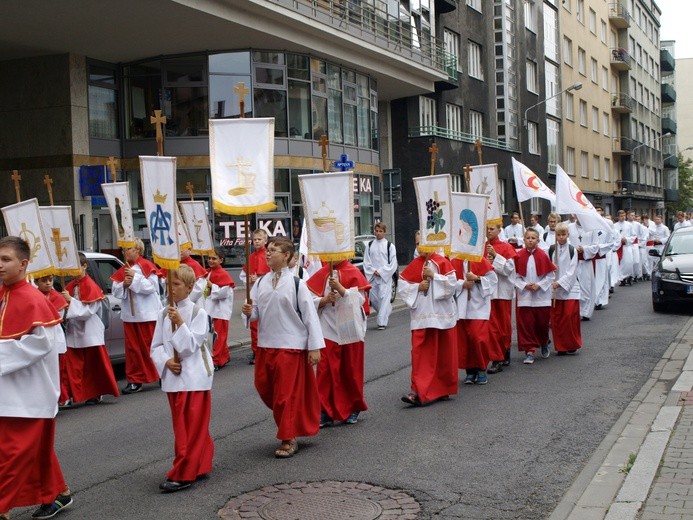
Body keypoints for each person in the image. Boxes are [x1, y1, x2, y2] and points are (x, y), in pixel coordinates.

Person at [0, 237, 73, 520]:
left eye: (6, 259)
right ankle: (59, 493)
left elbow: (39, 345)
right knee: (36, 452)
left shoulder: (34, 300)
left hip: (29, 396)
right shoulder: (2, 294)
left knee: (12, 456)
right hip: (7, 393)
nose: (0, 264)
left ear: (24, 264)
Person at [241, 237, 324, 458]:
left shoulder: (297, 284)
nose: (267, 254)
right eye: (267, 250)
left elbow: (310, 316)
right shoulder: (260, 283)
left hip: (290, 346)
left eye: (273, 250)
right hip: (266, 345)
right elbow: (256, 313)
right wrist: (248, 311)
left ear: (286, 256)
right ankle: (291, 425)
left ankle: (288, 438)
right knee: (265, 387)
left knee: (285, 396)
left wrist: (314, 347)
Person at [150, 265, 214, 493]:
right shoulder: (162, 313)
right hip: (174, 377)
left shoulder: (198, 313)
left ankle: (184, 472)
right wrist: (166, 361)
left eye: (176, 285)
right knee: (183, 426)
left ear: (189, 288)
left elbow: (190, 347)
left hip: (194, 378)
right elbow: (155, 346)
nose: (172, 289)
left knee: (191, 428)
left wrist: (180, 323)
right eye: (169, 284)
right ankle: (201, 462)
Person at [307, 259, 370, 427]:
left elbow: (362, 300)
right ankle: (324, 410)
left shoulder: (353, 271)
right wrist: (325, 299)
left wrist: (343, 290)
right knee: (325, 370)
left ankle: (352, 407)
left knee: (350, 369)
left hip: (348, 326)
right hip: (327, 327)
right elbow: (308, 300)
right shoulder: (322, 273)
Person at [398, 250, 458, 406]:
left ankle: (442, 389)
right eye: (418, 244)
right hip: (421, 315)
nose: (421, 248)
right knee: (420, 354)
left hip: (440, 314)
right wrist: (418, 287)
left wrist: (434, 276)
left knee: (442, 354)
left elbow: (452, 285)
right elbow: (403, 285)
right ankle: (417, 390)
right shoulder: (416, 263)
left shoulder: (442, 262)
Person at [60, 253, 120, 406]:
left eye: (77, 267)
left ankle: (95, 393)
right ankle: (69, 395)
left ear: (84, 266)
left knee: (93, 367)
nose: (74, 271)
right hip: (74, 331)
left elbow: (87, 312)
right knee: (71, 367)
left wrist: (71, 301)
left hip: (89, 331)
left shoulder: (91, 285)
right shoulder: (71, 286)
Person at [111, 238, 162, 394]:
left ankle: (160, 373)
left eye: (129, 249)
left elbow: (152, 287)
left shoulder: (147, 266)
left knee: (150, 348)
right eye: (124, 249)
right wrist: (124, 285)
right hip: (130, 315)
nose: (125, 252)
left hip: (147, 314)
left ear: (138, 250)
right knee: (132, 350)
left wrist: (135, 278)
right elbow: (115, 290)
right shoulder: (123, 269)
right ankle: (134, 380)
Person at [451, 255, 497, 385]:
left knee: (478, 338)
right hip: (462, 307)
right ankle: (470, 370)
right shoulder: (454, 261)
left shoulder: (480, 260)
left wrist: (477, 278)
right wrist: (462, 284)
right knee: (466, 341)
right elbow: (449, 282)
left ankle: (482, 368)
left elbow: (493, 280)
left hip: (479, 306)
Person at [514, 229, 556, 364]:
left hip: (541, 296)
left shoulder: (543, 256)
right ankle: (529, 350)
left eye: (533, 238)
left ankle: (544, 342)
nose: (530, 240)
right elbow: (514, 277)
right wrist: (525, 285)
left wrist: (539, 285)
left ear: (538, 240)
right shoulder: (519, 256)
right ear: (524, 240)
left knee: (542, 324)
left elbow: (550, 275)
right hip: (525, 296)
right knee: (526, 325)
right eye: (528, 238)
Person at [485, 223, 518, 373]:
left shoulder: (506, 247)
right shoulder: (481, 247)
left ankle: (506, 352)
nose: (489, 231)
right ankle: (496, 358)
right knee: (492, 327)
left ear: (499, 230)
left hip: (503, 291)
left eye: (492, 229)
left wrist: (496, 256)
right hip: (488, 292)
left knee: (504, 325)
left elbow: (509, 269)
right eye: (487, 229)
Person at [34, 274, 70, 407]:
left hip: (55, 338)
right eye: (44, 281)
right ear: (36, 282)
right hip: (39, 338)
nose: (48, 283)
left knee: (57, 371)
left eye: (50, 280)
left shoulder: (57, 297)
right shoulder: (34, 295)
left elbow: (57, 317)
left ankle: (62, 397)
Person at [548, 223, 582, 355]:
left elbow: (572, 271)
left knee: (569, 317)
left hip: (569, 288)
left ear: (568, 235)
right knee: (557, 319)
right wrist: (552, 271)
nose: (561, 237)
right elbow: (548, 268)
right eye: (558, 235)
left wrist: (560, 283)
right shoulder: (552, 249)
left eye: (563, 234)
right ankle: (561, 346)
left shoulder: (572, 250)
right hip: (555, 289)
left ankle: (571, 343)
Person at [240, 229, 270, 365]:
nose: (256, 241)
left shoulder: (269, 256)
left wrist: (258, 278)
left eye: (259, 239)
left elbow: (272, 275)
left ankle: (265, 351)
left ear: (265, 240)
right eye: (255, 239)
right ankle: (255, 351)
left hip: (267, 295)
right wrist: (249, 279)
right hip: (253, 294)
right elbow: (243, 275)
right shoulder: (250, 257)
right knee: (253, 325)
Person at [362, 222, 398, 330]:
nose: (378, 233)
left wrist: (381, 272)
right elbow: (366, 261)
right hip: (373, 277)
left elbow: (393, 263)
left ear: (384, 232)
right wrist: (373, 271)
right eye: (376, 231)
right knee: (374, 299)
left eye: (380, 231)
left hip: (384, 278)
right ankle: (387, 310)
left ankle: (381, 322)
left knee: (384, 298)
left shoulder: (390, 246)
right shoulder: (370, 245)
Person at [204, 249, 235, 370]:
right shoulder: (208, 272)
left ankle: (216, 360)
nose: (210, 261)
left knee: (218, 337)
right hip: (211, 309)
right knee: (216, 336)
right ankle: (225, 355)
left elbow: (225, 293)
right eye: (209, 258)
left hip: (220, 311)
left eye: (214, 258)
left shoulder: (223, 274)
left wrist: (212, 286)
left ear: (221, 260)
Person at [568, 215, 600, 321]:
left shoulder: (592, 228)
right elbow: (565, 241)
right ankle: (574, 311)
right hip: (572, 262)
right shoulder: (569, 227)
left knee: (586, 287)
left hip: (586, 262)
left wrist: (584, 249)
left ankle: (585, 311)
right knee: (573, 287)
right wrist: (573, 249)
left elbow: (596, 246)